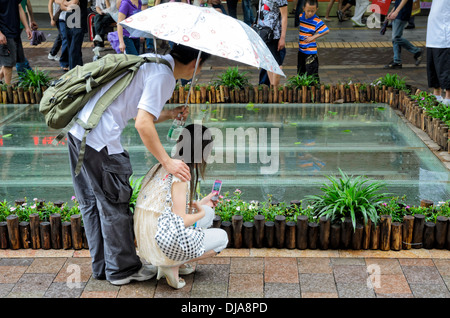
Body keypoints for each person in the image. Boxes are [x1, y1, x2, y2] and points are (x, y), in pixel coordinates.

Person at [66, 44, 211, 286]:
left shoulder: (150, 60)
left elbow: (134, 109)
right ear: (194, 63)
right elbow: (142, 124)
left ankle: (103, 266)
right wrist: (168, 162)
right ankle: (122, 270)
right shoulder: (165, 77)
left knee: (92, 203)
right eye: (202, 66)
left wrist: (169, 114)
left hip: (78, 132)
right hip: (100, 142)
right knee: (115, 205)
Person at [134, 124, 228, 289]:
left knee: (208, 212)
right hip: (162, 244)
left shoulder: (165, 165)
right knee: (222, 239)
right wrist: (198, 213)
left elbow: (168, 210)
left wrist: (202, 204)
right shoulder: (181, 176)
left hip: (148, 240)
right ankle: (171, 264)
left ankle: (174, 260)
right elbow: (180, 221)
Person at [0, 0, 32, 85]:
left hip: (15, 31)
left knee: (11, 61)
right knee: (8, 64)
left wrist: (27, 27)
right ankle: (7, 89)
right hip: (4, 33)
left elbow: (19, 7)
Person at [257, 0, 287, 87]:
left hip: (274, 35)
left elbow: (284, 17)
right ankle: (272, 88)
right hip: (263, 33)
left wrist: (282, 38)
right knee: (268, 62)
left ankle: (275, 90)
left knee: (277, 64)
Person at [384, 0, 422, 69]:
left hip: (402, 13)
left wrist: (396, 11)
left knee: (396, 37)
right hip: (399, 12)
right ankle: (397, 61)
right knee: (395, 38)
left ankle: (416, 50)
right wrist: (392, 11)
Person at [297, 0, 329, 83]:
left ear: (316, 9)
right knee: (301, 71)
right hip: (301, 50)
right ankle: (302, 89)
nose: (310, 13)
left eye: (313, 11)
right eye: (308, 11)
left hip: (311, 52)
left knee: (312, 72)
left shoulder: (316, 20)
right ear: (303, 8)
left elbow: (326, 30)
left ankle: (314, 90)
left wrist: (313, 37)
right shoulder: (301, 16)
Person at [425, 0, 450, 106]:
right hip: (432, 34)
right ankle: (437, 94)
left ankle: (448, 97)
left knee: (445, 68)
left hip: (444, 35)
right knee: (433, 67)